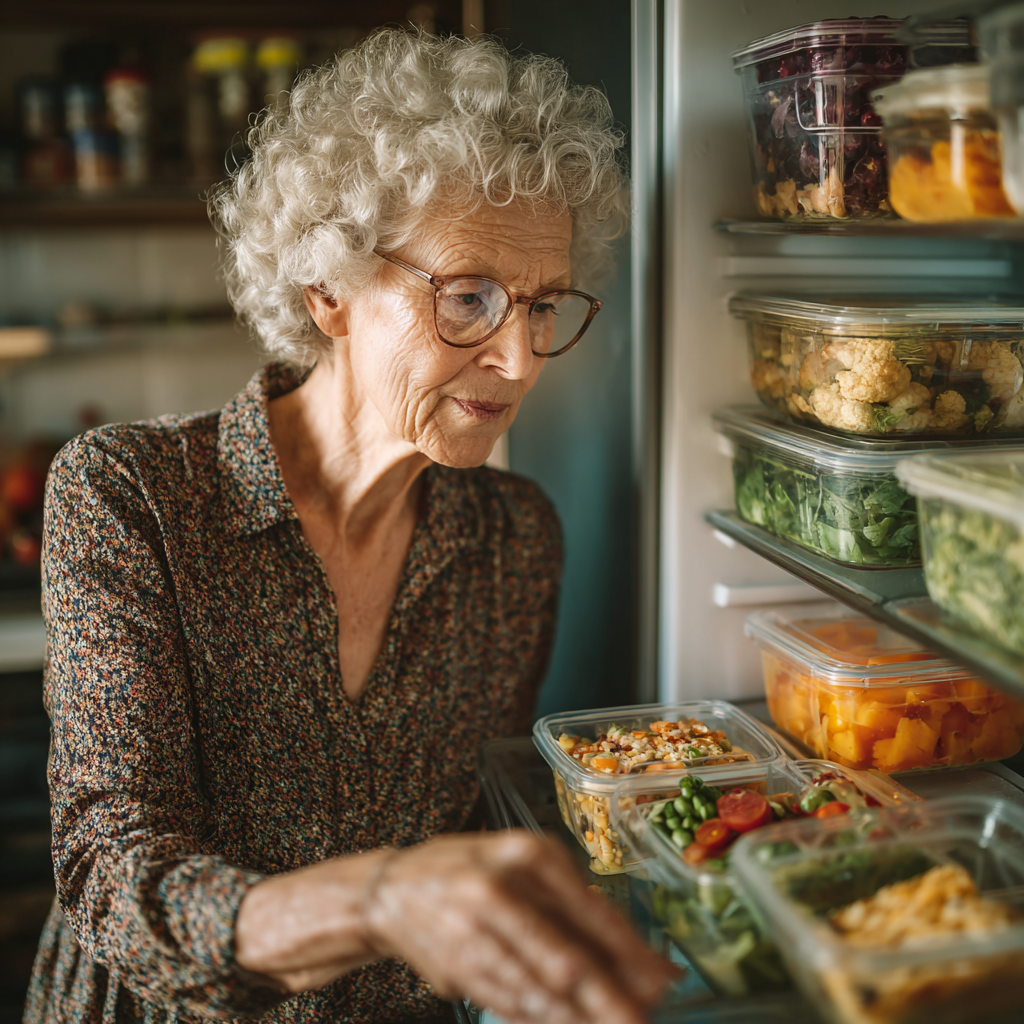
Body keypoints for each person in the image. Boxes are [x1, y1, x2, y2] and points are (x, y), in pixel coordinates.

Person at [24, 28, 674, 1024]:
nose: (520, 360)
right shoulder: (131, 495)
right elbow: (114, 874)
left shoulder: (513, 538)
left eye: (541, 306)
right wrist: (377, 899)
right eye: (468, 298)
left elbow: (476, 820)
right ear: (328, 289)